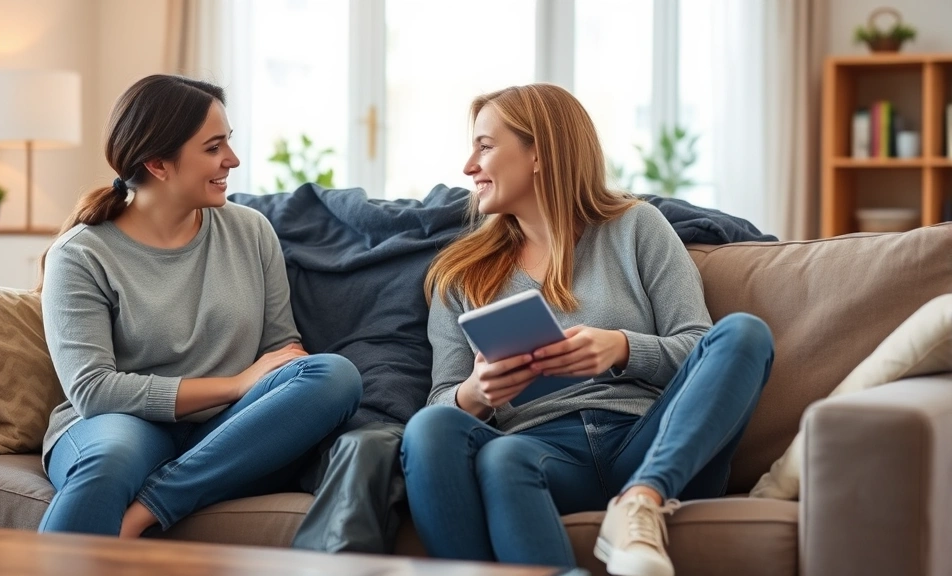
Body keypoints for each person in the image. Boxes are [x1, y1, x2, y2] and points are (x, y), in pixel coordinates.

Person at [400, 84, 775, 575]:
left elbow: (697, 347)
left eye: (485, 146)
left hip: (650, 439)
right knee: (460, 441)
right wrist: (476, 393)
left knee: (744, 333)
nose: (469, 166)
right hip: (541, 452)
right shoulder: (460, 275)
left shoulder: (637, 227)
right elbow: (441, 403)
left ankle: (640, 502)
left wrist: (621, 348)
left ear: (539, 153)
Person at [38, 74, 362, 537]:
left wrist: (250, 391)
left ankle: (147, 511)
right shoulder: (81, 254)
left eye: (228, 142)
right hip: (121, 423)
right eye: (213, 148)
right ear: (158, 164)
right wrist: (232, 386)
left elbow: (281, 351)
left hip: (227, 430)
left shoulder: (251, 231)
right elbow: (94, 391)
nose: (232, 160)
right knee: (110, 459)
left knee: (334, 375)